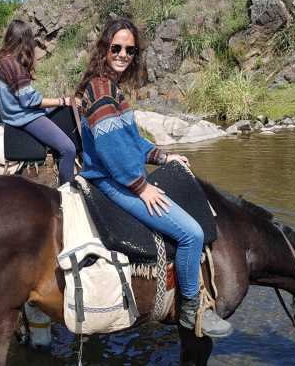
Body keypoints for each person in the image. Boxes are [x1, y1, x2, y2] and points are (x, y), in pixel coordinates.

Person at [76, 18, 232, 337]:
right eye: (116, 47)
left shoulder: (110, 88)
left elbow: (132, 141)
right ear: (104, 48)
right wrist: (141, 186)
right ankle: (192, 310)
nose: (122, 54)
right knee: (191, 234)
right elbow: (113, 152)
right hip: (111, 180)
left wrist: (164, 156)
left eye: (129, 50)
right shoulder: (101, 90)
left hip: (120, 175)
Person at [0, 19, 76, 186]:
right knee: (68, 149)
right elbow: (30, 101)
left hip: (12, 113)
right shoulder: (14, 65)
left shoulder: (1, 59)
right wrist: (62, 100)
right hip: (24, 116)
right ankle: (68, 191)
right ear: (24, 40)